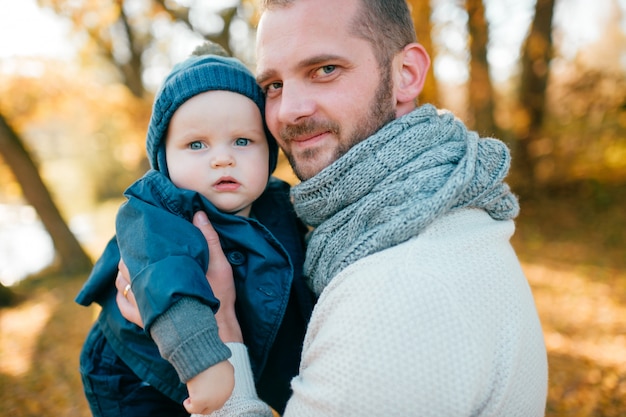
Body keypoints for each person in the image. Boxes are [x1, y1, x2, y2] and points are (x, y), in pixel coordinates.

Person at [118, 0, 549, 415]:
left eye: (325, 69)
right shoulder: (448, 209)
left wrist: (225, 334)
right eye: (273, 86)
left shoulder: (392, 293)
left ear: (407, 73)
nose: (289, 111)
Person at [75, 42, 314, 417]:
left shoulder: (280, 205)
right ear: (164, 161)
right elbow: (169, 283)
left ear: (269, 151)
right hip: (136, 375)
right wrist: (203, 363)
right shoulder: (158, 211)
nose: (222, 158)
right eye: (196, 144)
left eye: (242, 141)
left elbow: (295, 288)